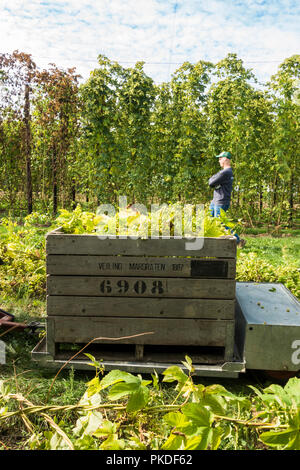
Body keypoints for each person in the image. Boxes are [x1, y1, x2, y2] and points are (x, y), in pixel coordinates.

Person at [208, 151, 245, 247]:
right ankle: (214, 240)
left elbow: (211, 183)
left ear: (226, 159)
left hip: (220, 201)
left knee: (221, 224)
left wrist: (214, 180)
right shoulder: (224, 172)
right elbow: (211, 180)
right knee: (211, 221)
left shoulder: (226, 172)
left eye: (220, 158)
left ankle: (238, 241)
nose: (219, 160)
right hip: (215, 201)